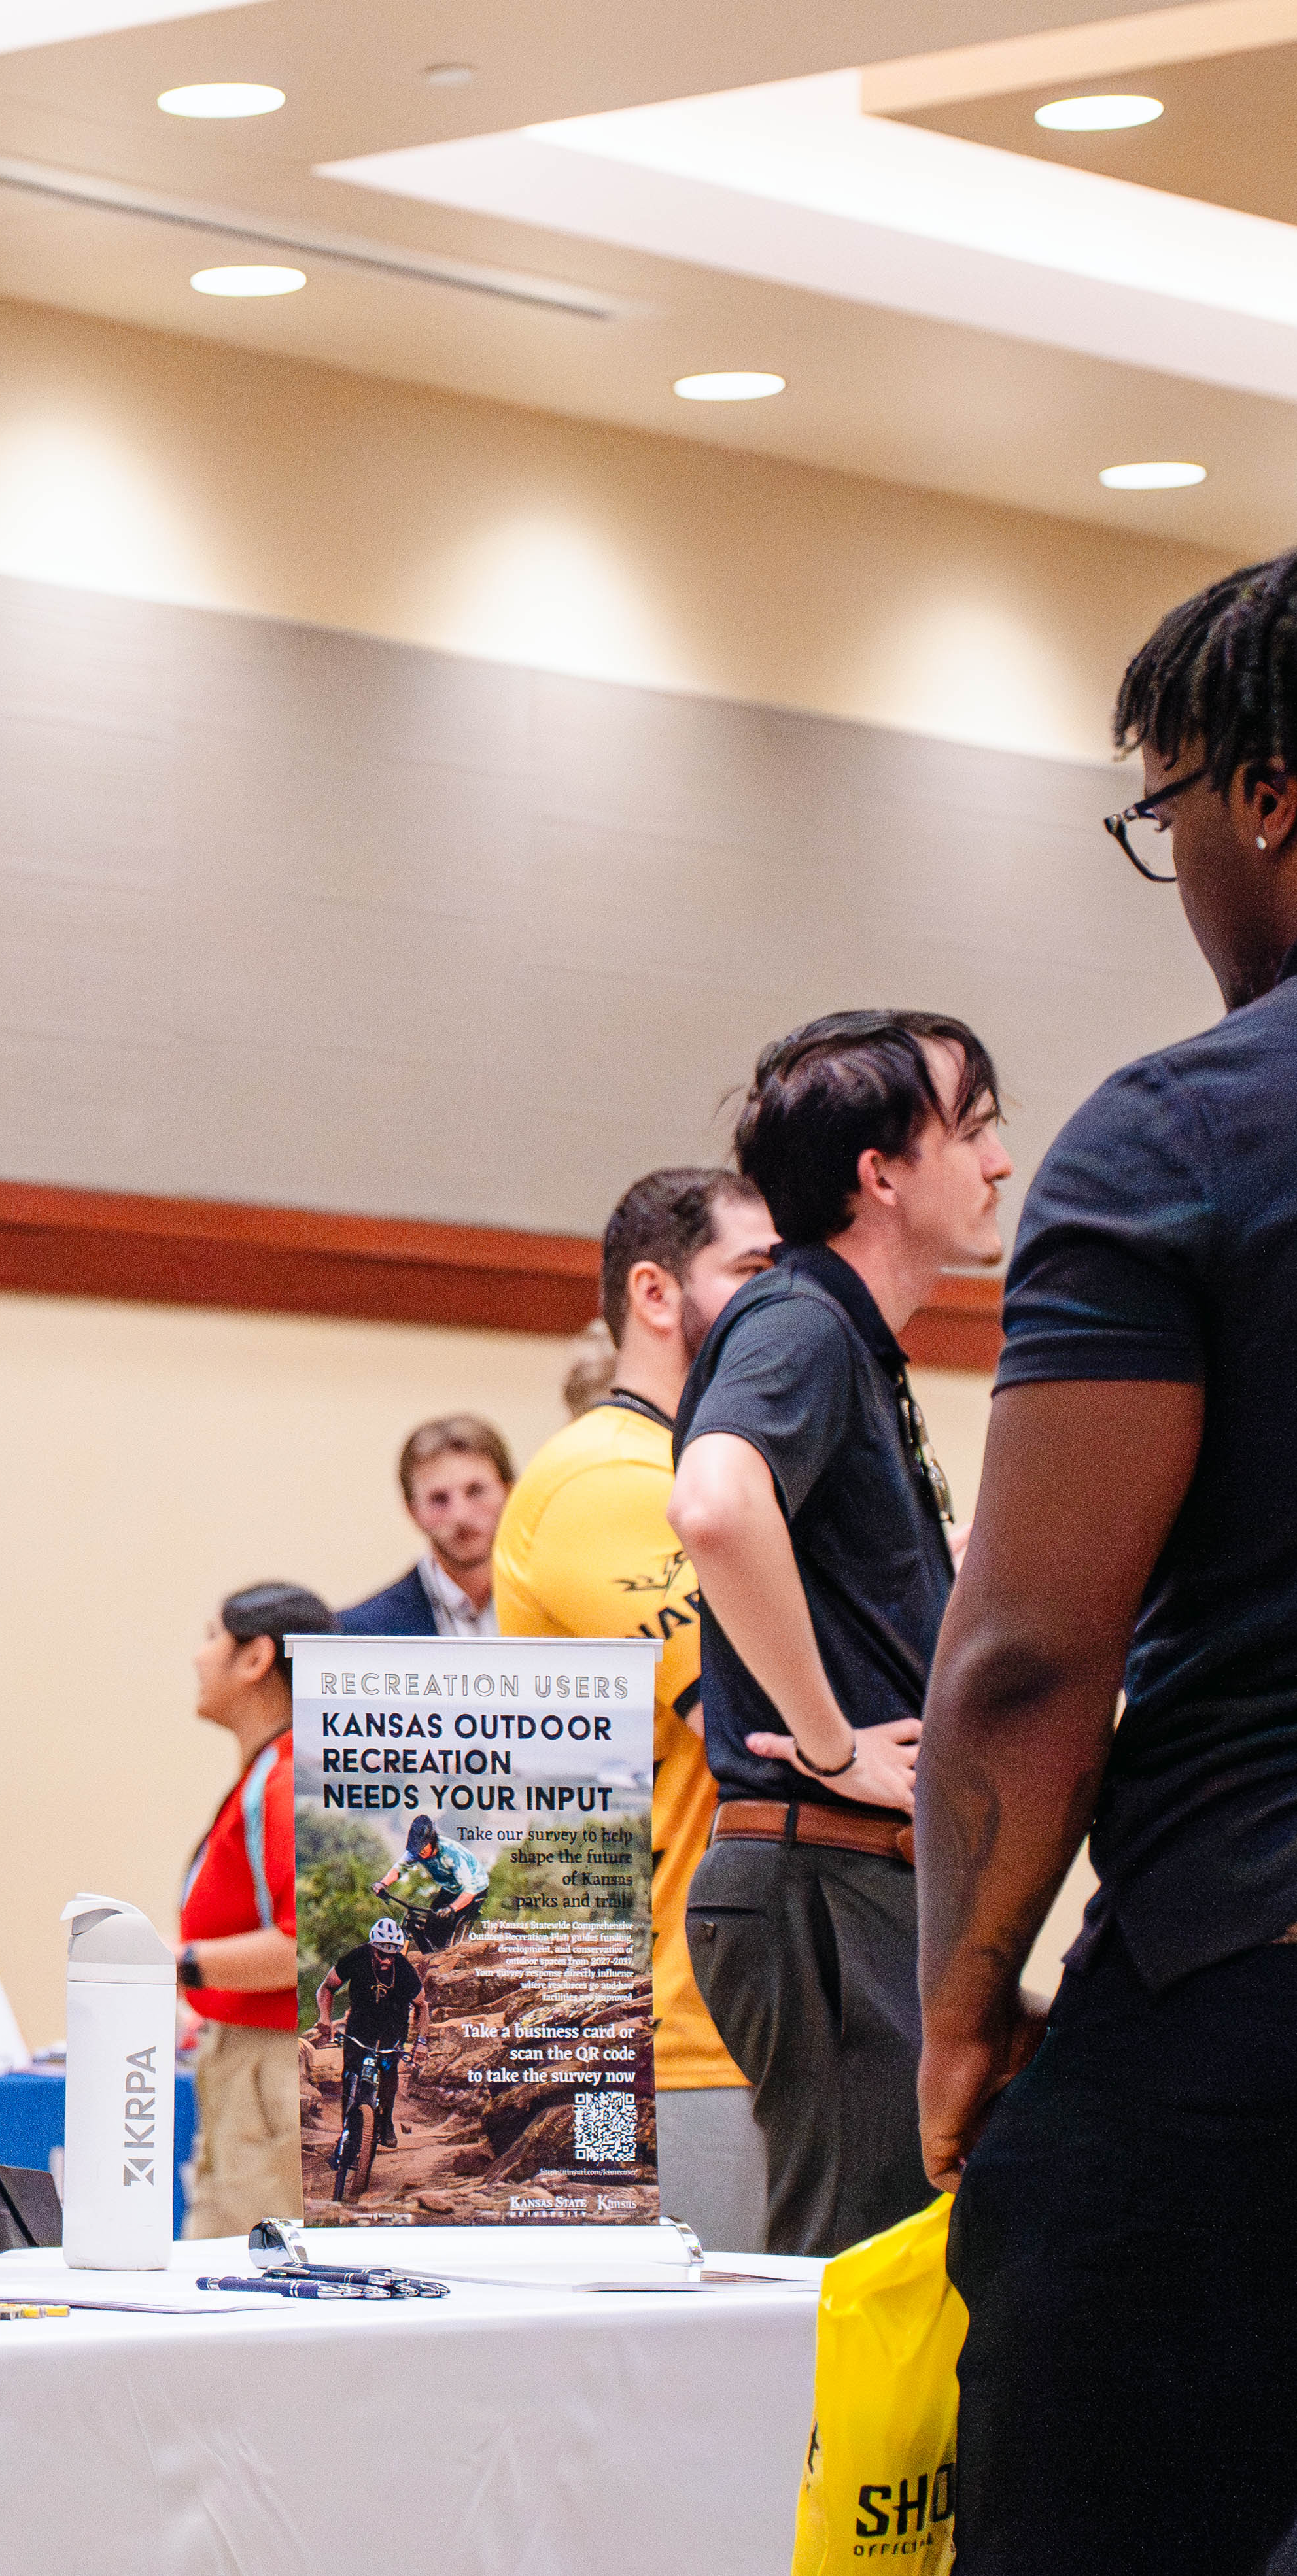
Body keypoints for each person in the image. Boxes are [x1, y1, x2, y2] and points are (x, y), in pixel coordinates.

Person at [926, 555, 1297, 2573]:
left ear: (1264, 792)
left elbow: (1021, 1658)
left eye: (1159, 817)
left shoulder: (1188, 1129)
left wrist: (964, 2000)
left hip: (1247, 1990)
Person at [669, 1010, 1009, 2257]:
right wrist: (824, 1739)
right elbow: (712, 1503)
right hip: (817, 1866)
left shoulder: (841, 1341)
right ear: (879, 1172)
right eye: (970, 1130)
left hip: (856, 1880)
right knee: (849, 2274)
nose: (996, 1163)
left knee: (891, 2259)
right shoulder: (800, 1321)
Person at [493, 1166, 780, 2248]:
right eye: (752, 1270)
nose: (780, 1300)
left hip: (739, 2015)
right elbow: (758, 1727)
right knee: (717, 2400)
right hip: (669, 2032)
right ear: (655, 1294)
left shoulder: (702, 1467)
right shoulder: (609, 1477)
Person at [173, 1582, 333, 2239]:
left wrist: (176, 1965)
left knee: (237, 2278)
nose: (196, 1657)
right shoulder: (274, 1770)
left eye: (211, 1636)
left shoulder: (284, 1776)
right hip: (254, 2063)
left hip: (272, 2071)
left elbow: (307, 1948)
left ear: (254, 1658)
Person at [336, 1418, 513, 1638]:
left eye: (476, 1491)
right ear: (413, 1511)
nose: (460, 1515)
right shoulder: (359, 1635)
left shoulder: (556, 1610)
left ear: (509, 1492)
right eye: (439, 1499)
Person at [316, 1913, 426, 2181]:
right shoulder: (357, 1957)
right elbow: (327, 1988)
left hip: (392, 2030)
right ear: (372, 1948)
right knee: (349, 2077)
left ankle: (385, 2119)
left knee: (388, 2074)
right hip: (360, 2027)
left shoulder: (404, 1970)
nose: (387, 1960)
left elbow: (423, 2006)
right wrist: (325, 2018)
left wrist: (421, 2042)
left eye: (392, 1954)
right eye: (381, 1954)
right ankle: (346, 2134)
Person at [375, 1813, 488, 1951]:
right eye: (416, 1849)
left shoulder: (452, 1855)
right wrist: (383, 1884)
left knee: (449, 1926)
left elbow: (470, 1891)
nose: (420, 1853)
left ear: (432, 1841)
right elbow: (400, 1868)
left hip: (474, 1889)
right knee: (431, 1928)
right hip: (451, 1888)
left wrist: (452, 1908)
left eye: (423, 1848)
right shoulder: (416, 1850)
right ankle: (430, 1957)